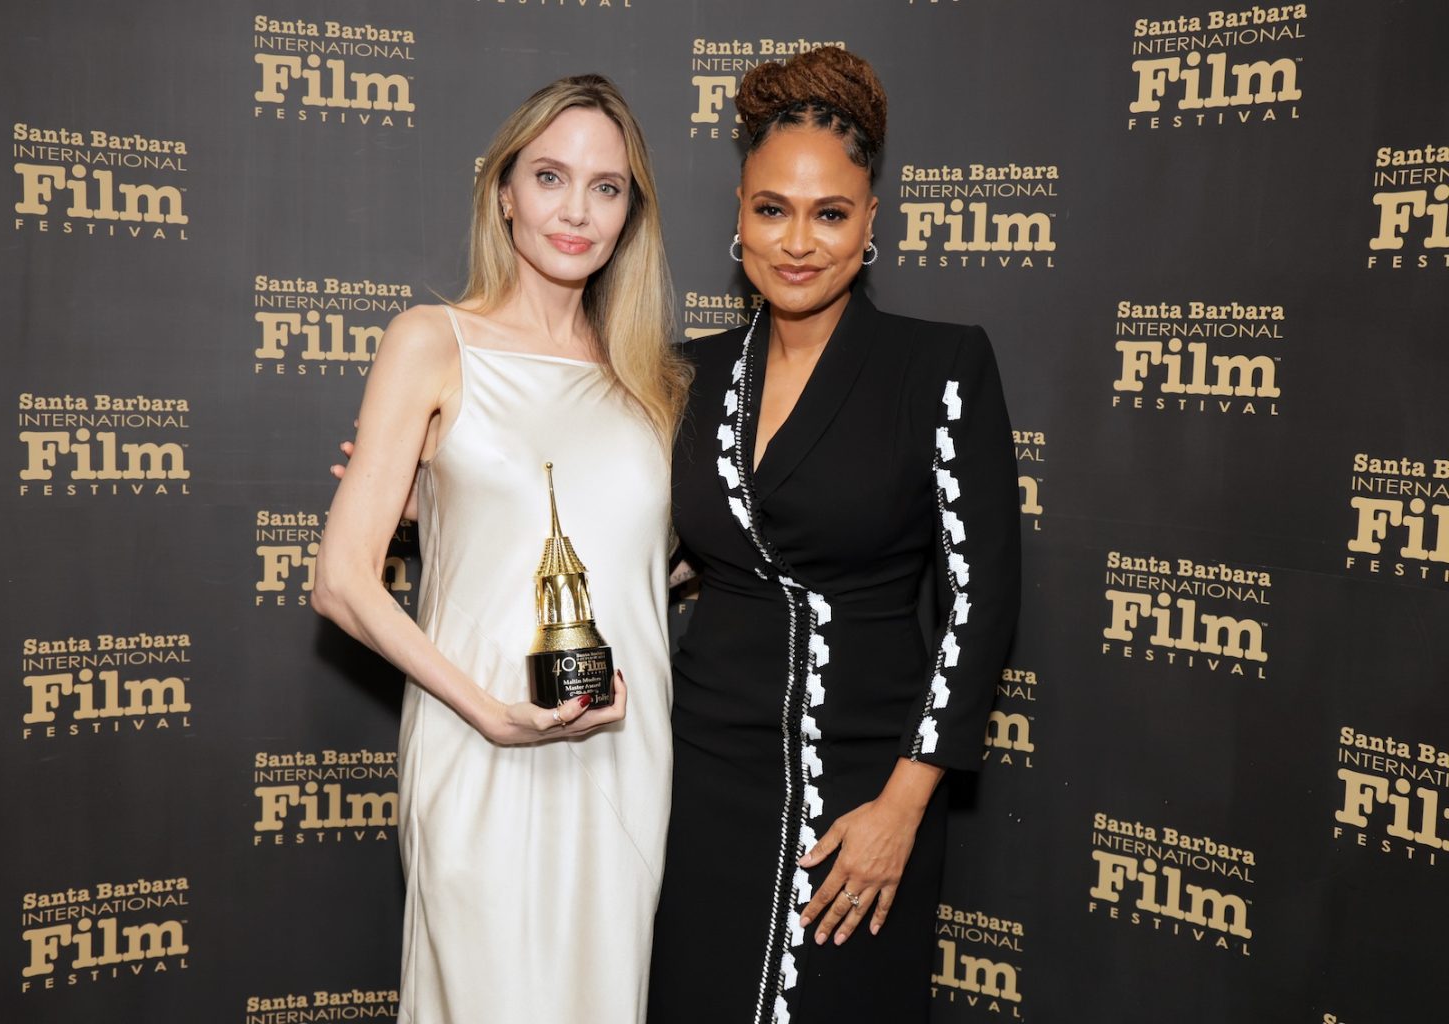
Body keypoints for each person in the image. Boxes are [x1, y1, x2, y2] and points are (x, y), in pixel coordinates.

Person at [647, 47, 1021, 1023]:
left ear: (871, 221)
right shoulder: (685, 376)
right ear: (737, 213)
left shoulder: (938, 368)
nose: (798, 242)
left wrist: (904, 805)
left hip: (865, 791)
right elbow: (611, 529)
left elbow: (981, 605)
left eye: (831, 212)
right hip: (699, 781)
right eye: (773, 209)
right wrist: (436, 493)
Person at [312, 75, 689, 1024]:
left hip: (623, 758)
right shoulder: (432, 342)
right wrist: (490, 712)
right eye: (551, 177)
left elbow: (659, 566)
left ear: (631, 212)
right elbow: (342, 582)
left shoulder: (656, 383)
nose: (576, 210)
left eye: (606, 187)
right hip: (478, 741)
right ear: (504, 192)